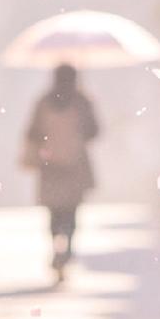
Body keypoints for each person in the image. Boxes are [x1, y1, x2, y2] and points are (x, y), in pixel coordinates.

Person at [22, 63, 99, 283]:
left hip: (50, 166)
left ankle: (56, 244)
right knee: (72, 211)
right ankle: (68, 248)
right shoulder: (83, 101)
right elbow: (95, 132)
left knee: (54, 211)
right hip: (75, 166)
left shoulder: (43, 102)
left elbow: (32, 132)